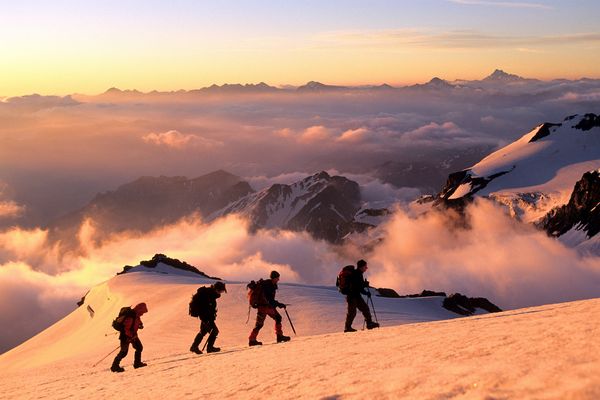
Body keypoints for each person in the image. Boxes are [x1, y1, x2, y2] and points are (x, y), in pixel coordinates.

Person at [248, 270, 290, 346]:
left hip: (265, 307)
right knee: (261, 324)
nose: (278, 280)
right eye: (277, 278)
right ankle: (252, 340)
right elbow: (269, 300)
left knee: (276, 318)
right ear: (274, 278)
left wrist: (278, 304)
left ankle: (252, 339)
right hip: (264, 307)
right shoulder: (268, 286)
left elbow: (270, 300)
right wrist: (279, 304)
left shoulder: (270, 285)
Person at [189, 281, 227, 354]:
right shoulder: (208, 295)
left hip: (207, 318)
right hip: (206, 318)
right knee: (215, 331)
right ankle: (209, 348)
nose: (220, 293)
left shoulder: (210, 294)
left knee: (203, 331)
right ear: (217, 289)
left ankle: (194, 346)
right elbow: (203, 308)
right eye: (221, 291)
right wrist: (205, 319)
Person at [111, 302, 148, 372]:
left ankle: (137, 363)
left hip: (132, 335)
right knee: (123, 352)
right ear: (140, 310)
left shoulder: (136, 315)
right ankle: (114, 366)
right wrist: (131, 336)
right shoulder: (131, 316)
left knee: (139, 347)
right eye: (142, 312)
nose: (143, 314)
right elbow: (126, 329)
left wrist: (140, 325)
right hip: (125, 336)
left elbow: (137, 321)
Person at [345, 259, 379, 332]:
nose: (366, 268)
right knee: (352, 312)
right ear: (361, 267)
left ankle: (369, 324)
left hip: (355, 296)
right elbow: (358, 287)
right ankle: (347, 328)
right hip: (352, 296)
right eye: (365, 266)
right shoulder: (357, 274)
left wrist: (364, 286)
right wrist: (365, 287)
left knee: (364, 308)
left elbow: (358, 286)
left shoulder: (357, 273)